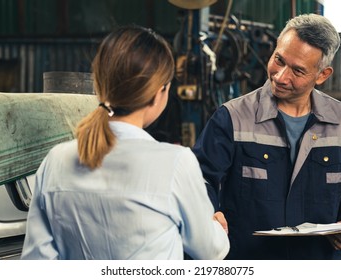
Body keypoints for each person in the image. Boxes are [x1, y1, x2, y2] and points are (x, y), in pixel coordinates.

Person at [21, 25, 229, 260]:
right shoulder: (175, 163)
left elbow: (36, 260)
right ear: (158, 93)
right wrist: (217, 228)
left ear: (100, 83)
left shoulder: (56, 160)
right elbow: (209, 251)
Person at [192, 13, 341, 259]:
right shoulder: (232, 118)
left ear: (322, 75)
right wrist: (208, 212)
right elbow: (199, 181)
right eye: (278, 60)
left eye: (297, 70)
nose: (281, 76)